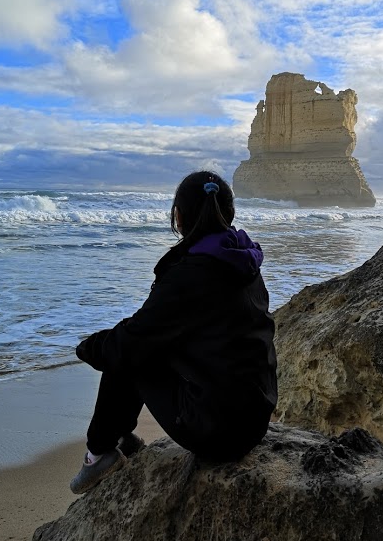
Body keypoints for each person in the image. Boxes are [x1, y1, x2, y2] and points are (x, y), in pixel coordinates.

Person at [70, 170, 277, 494]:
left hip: (220, 433)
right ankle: (121, 438)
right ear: (230, 213)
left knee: (128, 350)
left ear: (178, 217)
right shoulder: (243, 260)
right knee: (141, 340)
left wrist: (87, 347)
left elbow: (129, 344)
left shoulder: (192, 274)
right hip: (255, 420)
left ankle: (98, 453)